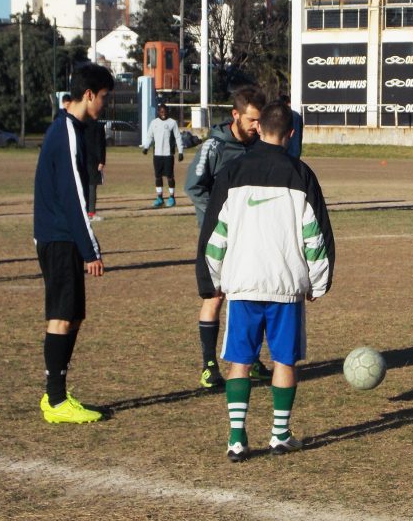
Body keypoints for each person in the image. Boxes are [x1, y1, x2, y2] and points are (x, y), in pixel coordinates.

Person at [198, 101, 335, 461]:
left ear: (259, 128)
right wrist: (318, 282)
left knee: (240, 361)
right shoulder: (302, 173)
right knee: (284, 361)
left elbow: (215, 233)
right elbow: (315, 235)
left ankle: (237, 439)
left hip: (242, 284)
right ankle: (279, 435)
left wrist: (209, 279)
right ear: (291, 134)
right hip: (285, 285)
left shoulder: (232, 172)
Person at [34, 63, 114, 424]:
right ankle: (55, 401)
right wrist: (90, 249)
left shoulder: (73, 129)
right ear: (88, 95)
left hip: (61, 236)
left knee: (73, 316)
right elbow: (74, 196)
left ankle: (57, 394)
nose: (104, 106)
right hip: (60, 237)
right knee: (62, 317)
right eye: (103, 99)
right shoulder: (65, 130)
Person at [186, 86, 270, 389]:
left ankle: (250, 360)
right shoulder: (215, 146)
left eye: (260, 121)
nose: (256, 127)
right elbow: (194, 186)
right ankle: (209, 365)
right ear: (235, 115)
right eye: (251, 120)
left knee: (250, 295)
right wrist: (218, 221)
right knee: (216, 296)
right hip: (217, 237)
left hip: (250, 237)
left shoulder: (261, 145)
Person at [142, 103, 184, 207]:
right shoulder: (154, 123)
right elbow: (149, 136)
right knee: (158, 176)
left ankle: (171, 197)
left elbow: (178, 137)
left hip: (168, 155)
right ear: (158, 112)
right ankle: (159, 197)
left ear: (167, 112)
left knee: (169, 176)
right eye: (161, 112)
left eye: (165, 111)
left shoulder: (172, 123)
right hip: (157, 155)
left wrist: (180, 152)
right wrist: (146, 147)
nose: (163, 113)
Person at [83, 114, 107, 222]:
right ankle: (91, 213)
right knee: (92, 186)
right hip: (93, 161)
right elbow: (100, 144)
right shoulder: (97, 126)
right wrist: (102, 160)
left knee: (83, 186)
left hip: (82, 160)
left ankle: (83, 212)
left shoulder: (80, 125)